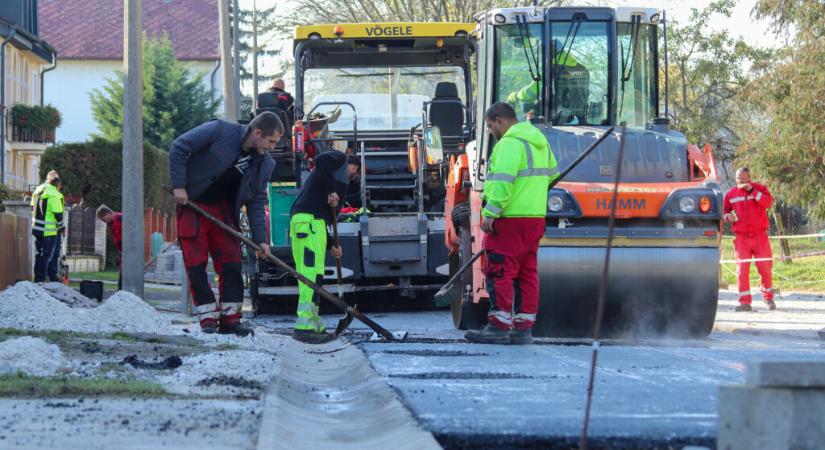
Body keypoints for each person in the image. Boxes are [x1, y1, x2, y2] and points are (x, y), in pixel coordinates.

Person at [169, 112, 282, 335]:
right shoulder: (219, 130)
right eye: (271, 141)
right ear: (257, 132)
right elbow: (179, 147)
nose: (272, 147)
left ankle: (231, 319)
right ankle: (208, 318)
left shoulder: (265, 165)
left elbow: (257, 202)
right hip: (194, 204)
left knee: (232, 265)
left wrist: (261, 240)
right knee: (196, 266)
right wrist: (179, 186)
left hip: (225, 212)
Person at [465, 102, 559, 345]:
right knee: (527, 274)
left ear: (499, 120)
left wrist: (490, 213)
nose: (490, 131)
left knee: (499, 270)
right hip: (535, 218)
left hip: (509, 219)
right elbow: (553, 174)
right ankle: (523, 328)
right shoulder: (539, 142)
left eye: (489, 126)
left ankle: (498, 325)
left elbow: (502, 183)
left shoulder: (508, 144)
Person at [289, 151, 361, 344]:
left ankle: (313, 324)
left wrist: (332, 244)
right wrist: (332, 190)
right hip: (307, 223)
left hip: (316, 225)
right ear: (352, 164)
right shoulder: (338, 160)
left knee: (317, 277)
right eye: (354, 170)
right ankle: (303, 327)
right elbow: (320, 159)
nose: (354, 175)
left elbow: (324, 216)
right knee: (309, 276)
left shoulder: (333, 180)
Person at [724, 167, 775, 312]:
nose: (742, 181)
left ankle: (768, 298)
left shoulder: (760, 189)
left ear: (750, 178)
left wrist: (752, 190)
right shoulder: (730, 194)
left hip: (760, 235)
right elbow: (724, 211)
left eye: (745, 179)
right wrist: (728, 217)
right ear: (735, 179)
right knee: (742, 270)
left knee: (765, 268)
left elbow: (767, 203)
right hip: (741, 237)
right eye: (739, 179)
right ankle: (744, 302)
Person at [32, 177, 64, 283]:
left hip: (36, 229)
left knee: (39, 254)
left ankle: (37, 279)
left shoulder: (38, 191)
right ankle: (42, 280)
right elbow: (58, 214)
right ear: (57, 185)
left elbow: (32, 207)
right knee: (46, 256)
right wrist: (62, 227)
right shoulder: (55, 194)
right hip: (49, 231)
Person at [96, 205, 123, 289]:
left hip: (128, 252)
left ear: (107, 214)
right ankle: (121, 291)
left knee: (123, 275)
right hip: (122, 252)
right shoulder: (112, 223)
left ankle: (122, 291)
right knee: (121, 274)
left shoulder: (120, 218)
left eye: (103, 219)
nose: (104, 222)